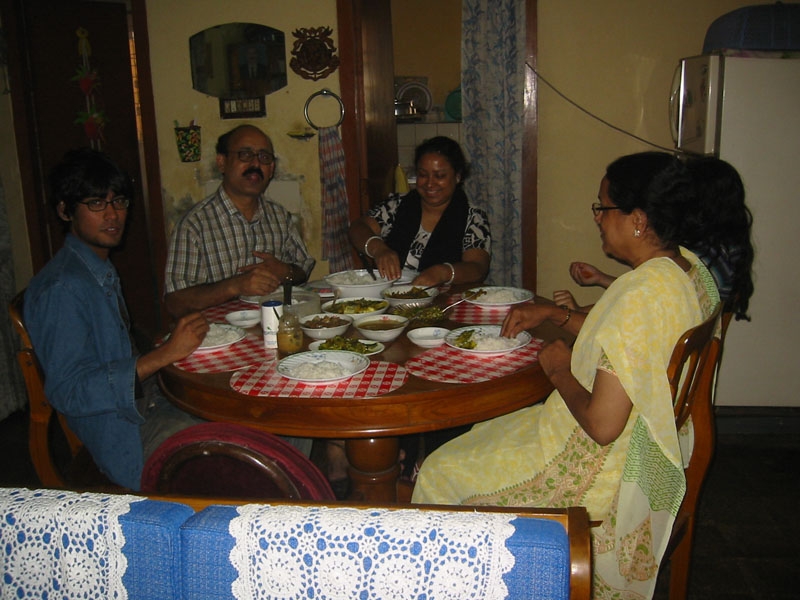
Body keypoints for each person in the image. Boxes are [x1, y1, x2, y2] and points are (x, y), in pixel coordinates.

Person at [412, 152, 754, 598]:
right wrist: (556, 315)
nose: (597, 218)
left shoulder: (640, 294)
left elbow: (602, 425)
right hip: (642, 446)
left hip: (602, 468)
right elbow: (627, 338)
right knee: (479, 433)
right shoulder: (686, 270)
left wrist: (558, 370)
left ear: (638, 220)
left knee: (439, 470)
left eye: (603, 207)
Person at [25, 148, 208, 490]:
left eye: (119, 201)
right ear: (65, 211)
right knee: (250, 448)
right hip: (125, 436)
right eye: (96, 203)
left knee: (261, 421)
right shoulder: (62, 288)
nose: (112, 215)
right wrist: (163, 355)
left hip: (149, 404)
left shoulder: (96, 268)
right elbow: (68, 391)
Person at [556, 156, 754, 320]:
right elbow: (647, 300)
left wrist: (564, 318)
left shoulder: (703, 258)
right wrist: (600, 280)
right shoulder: (711, 250)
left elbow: (647, 303)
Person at [164, 124, 315, 318]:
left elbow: (303, 268)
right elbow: (175, 302)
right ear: (222, 163)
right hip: (219, 331)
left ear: (271, 169)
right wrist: (235, 285)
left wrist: (285, 271)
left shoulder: (279, 216)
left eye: (264, 157)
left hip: (277, 325)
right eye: (245, 155)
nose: (256, 164)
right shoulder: (194, 225)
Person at [349, 136, 491, 287]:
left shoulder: (473, 217)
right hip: (390, 295)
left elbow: (478, 268)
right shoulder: (397, 205)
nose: (430, 183)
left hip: (445, 298)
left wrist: (443, 272)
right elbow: (357, 228)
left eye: (440, 176)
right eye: (423, 175)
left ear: (457, 176)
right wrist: (378, 249)